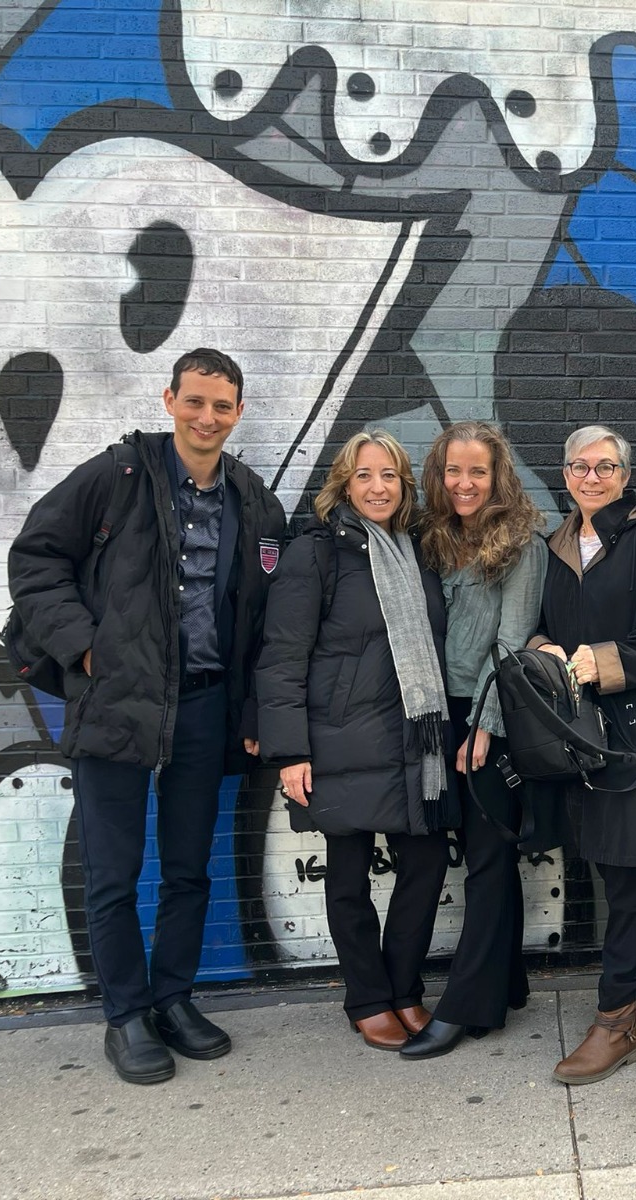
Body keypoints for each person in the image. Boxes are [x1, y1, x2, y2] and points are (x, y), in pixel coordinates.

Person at [7, 348, 286, 1085]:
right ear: (169, 401)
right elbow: (36, 558)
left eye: (221, 406)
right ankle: (126, 1015)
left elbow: (265, 626)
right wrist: (85, 649)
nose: (207, 417)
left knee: (189, 870)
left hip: (204, 706)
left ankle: (173, 1000)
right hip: (119, 705)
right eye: (194, 401)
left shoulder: (255, 502)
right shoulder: (118, 477)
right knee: (114, 872)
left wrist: (254, 707)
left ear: (238, 413)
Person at [254, 430, 453, 1051]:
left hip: (413, 740)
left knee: (424, 865)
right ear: (344, 483)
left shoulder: (417, 551)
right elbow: (282, 655)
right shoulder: (315, 554)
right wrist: (290, 750)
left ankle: (403, 989)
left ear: (404, 486)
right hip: (338, 740)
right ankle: (366, 997)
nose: (377, 487)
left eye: (389, 476)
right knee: (348, 876)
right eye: (365, 475)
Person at [530, 426, 636, 1084]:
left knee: (627, 871)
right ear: (565, 473)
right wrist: (543, 644)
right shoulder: (557, 543)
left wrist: (603, 662)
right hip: (578, 731)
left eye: (605, 466)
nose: (592, 476)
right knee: (613, 865)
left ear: (625, 476)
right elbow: (544, 621)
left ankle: (616, 1017)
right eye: (579, 466)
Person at [399, 421, 548, 1059]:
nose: (464, 484)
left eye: (478, 472)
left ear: (498, 476)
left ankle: (463, 1006)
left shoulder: (523, 544)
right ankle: (504, 986)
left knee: (486, 861)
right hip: (437, 712)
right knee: (480, 854)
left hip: (493, 716)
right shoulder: (429, 540)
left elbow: (512, 644)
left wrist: (484, 728)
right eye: (453, 471)